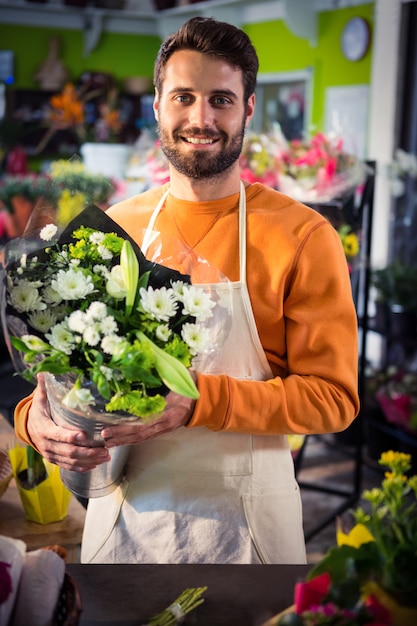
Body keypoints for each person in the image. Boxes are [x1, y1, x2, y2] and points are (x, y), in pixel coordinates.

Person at [14, 17, 359, 565]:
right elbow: (62, 372)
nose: (201, 119)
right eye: (184, 97)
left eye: (221, 99)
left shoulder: (302, 237)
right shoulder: (112, 231)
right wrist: (35, 419)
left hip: (247, 538)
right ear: (157, 105)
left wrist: (198, 399)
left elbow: (334, 400)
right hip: (124, 528)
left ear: (248, 109)